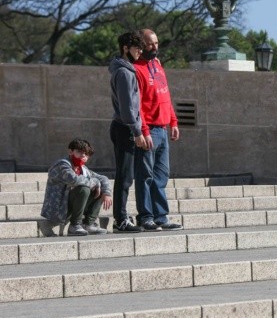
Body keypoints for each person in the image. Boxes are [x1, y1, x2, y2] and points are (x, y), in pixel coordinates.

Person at [131, 28, 182, 231]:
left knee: (161, 175)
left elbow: (165, 97)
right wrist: (143, 131)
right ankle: (145, 216)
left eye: (156, 43)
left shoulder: (159, 67)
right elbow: (137, 105)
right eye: (150, 43)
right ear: (141, 45)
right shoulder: (137, 69)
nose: (154, 47)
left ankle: (161, 216)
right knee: (145, 175)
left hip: (162, 128)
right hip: (149, 130)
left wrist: (174, 122)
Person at [109, 32, 146, 233]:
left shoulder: (127, 70)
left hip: (126, 127)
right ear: (125, 48)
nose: (140, 51)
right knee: (124, 176)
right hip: (125, 128)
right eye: (136, 47)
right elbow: (126, 108)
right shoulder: (123, 73)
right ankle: (120, 219)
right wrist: (137, 131)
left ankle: (121, 216)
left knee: (127, 175)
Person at [40, 139, 112, 236]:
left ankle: (88, 224)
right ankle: (75, 225)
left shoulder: (83, 169)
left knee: (100, 187)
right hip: (58, 208)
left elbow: (103, 178)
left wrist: (107, 193)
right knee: (84, 188)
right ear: (70, 151)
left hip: (70, 206)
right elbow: (73, 180)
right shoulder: (62, 164)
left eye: (86, 154)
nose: (83, 156)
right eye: (79, 152)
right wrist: (95, 182)